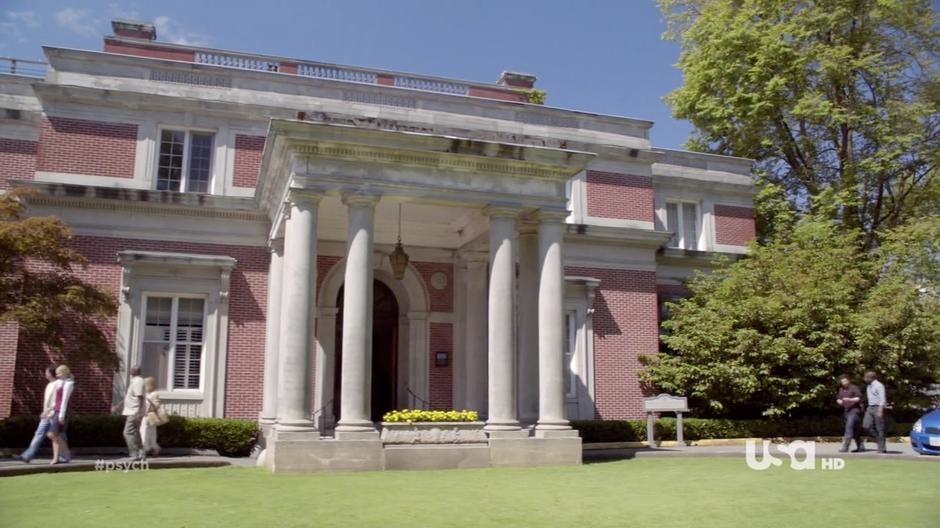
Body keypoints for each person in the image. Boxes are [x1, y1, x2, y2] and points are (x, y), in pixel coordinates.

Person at [17, 366, 67, 463]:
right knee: (39, 434)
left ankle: (64, 457)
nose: (45, 374)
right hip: (47, 415)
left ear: (51, 373)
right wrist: (45, 411)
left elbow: (57, 401)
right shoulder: (49, 384)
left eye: (47, 372)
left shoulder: (58, 384)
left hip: (54, 414)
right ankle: (27, 455)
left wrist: (47, 411)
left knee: (60, 436)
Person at [47, 365, 74, 465]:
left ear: (64, 372)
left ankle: (65, 452)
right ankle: (56, 458)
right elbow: (56, 400)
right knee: (55, 435)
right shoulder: (58, 383)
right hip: (56, 410)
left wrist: (61, 416)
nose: (56, 373)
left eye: (59, 372)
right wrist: (50, 411)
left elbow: (64, 400)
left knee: (52, 434)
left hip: (63, 411)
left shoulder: (69, 383)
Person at [119, 366, 146, 460]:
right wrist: (118, 406)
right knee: (135, 432)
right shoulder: (134, 381)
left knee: (127, 432)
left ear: (136, 371)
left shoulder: (138, 381)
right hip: (132, 411)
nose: (130, 370)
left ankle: (134, 454)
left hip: (134, 411)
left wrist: (138, 412)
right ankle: (142, 453)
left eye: (133, 369)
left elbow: (140, 397)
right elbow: (129, 396)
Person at [836, 374, 864, 453]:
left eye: (845, 381)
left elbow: (858, 398)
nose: (844, 383)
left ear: (848, 380)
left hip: (854, 410)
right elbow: (838, 398)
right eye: (842, 382)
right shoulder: (841, 389)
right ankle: (860, 446)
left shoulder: (854, 388)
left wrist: (849, 400)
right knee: (855, 430)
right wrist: (839, 401)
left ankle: (845, 447)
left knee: (849, 428)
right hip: (846, 411)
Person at [863, 370, 888, 453]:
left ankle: (882, 447)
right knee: (866, 426)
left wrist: (880, 410)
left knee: (880, 428)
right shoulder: (868, 386)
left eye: (866, 377)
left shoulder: (879, 385)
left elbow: (882, 399)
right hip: (870, 408)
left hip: (878, 407)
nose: (864, 379)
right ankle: (878, 440)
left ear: (871, 377)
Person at [140, 376, 164, 457]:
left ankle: (143, 450)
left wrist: (149, 400)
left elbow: (157, 406)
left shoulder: (154, 394)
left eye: (145, 385)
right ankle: (155, 448)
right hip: (145, 416)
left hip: (150, 416)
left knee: (146, 433)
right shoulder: (145, 394)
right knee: (148, 433)